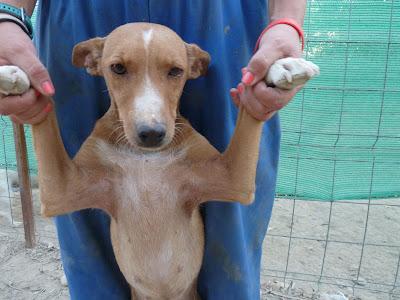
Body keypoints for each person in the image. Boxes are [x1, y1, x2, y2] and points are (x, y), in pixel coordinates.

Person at [0, 1, 306, 299]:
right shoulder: (103, 138)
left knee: (230, 255)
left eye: (174, 71)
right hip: (84, 9)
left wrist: (286, 24)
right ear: (91, 61)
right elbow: (58, 198)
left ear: (196, 66)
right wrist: (8, 17)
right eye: (120, 69)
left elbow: (238, 188)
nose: (151, 121)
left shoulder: (186, 141)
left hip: (217, 12)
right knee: (91, 266)